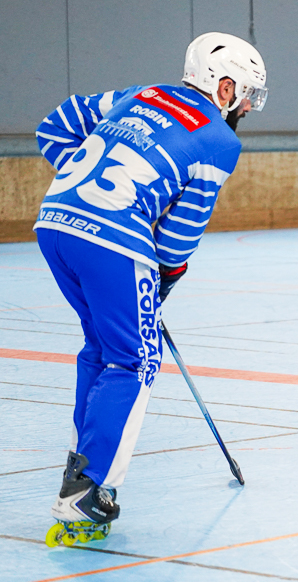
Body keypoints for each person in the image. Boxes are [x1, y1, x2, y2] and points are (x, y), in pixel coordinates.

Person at [35, 32, 267, 547]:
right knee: (137, 357)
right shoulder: (220, 141)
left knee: (103, 349)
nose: (248, 106)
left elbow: (54, 127)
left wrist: (82, 185)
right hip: (115, 242)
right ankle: (90, 490)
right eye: (247, 94)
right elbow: (178, 239)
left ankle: (82, 467)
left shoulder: (137, 95)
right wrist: (158, 283)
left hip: (55, 223)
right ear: (224, 87)